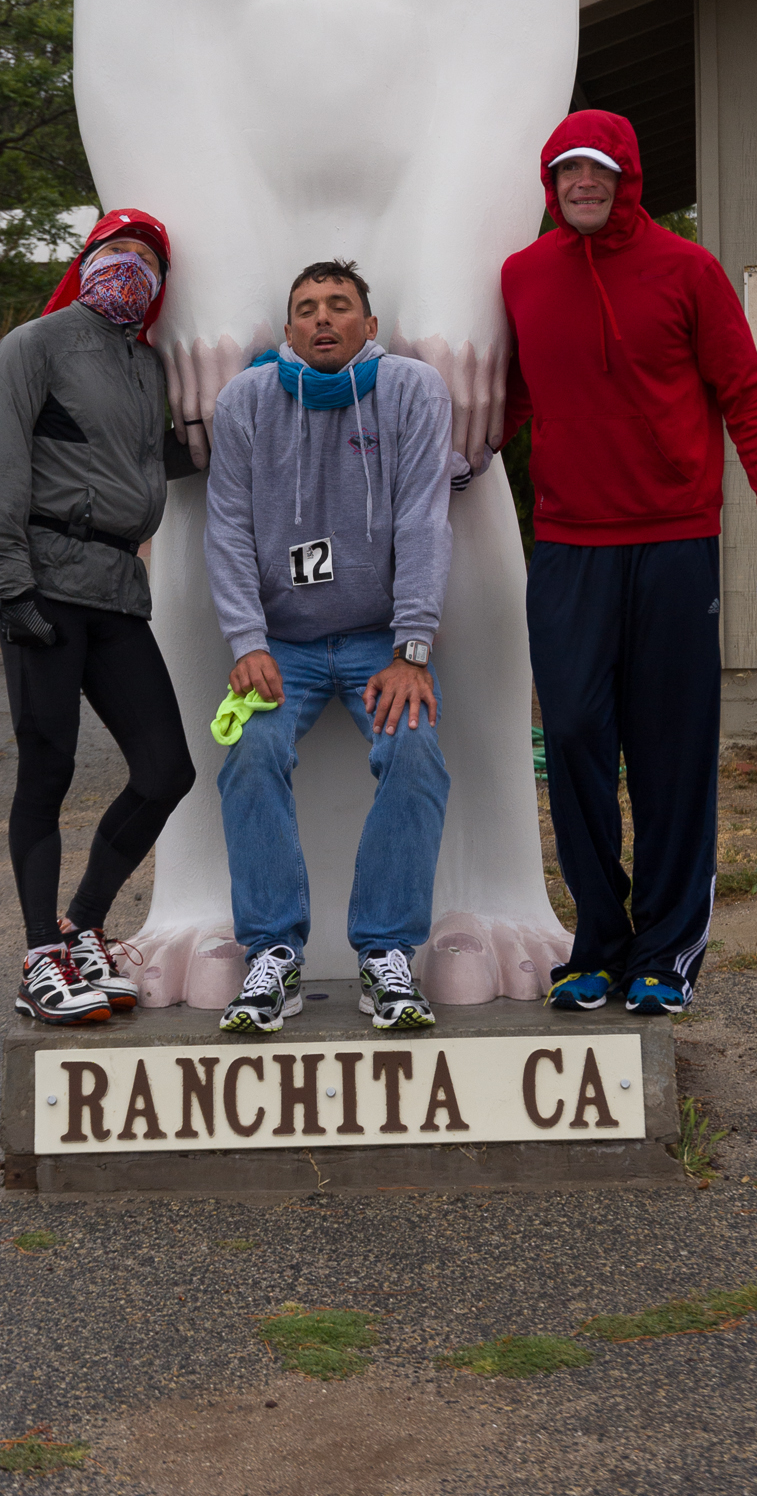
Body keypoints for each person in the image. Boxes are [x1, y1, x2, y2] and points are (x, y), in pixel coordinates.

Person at [500, 112, 757, 1017]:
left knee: (670, 750)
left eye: (598, 169)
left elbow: (746, 392)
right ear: (550, 182)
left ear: (627, 175)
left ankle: (667, 949)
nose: (583, 184)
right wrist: (460, 449)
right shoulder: (522, 276)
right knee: (576, 741)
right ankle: (597, 943)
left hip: (675, 542)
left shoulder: (687, 270)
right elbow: (514, 389)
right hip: (566, 545)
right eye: (566, 171)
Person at [204, 259, 454, 1034]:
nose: (322, 318)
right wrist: (246, 640)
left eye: (339, 305)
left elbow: (422, 519)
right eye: (306, 308)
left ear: (368, 325)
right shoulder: (245, 399)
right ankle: (272, 953)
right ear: (286, 331)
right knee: (247, 747)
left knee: (416, 753)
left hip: (383, 640)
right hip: (284, 643)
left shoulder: (411, 389)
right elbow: (228, 528)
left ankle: (387, 953)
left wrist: (412, 648)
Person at [0, 209, 200, 1025]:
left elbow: (146, 458)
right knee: (49, 769)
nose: (130, 266)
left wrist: (223, 423)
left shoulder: (146, 366)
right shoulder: (33, 345)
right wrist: (11, 585)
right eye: (117, 250)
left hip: (117, 592)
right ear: (88, 258)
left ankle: (84, 925)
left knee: (168, 767)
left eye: (148, 258)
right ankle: (40, 955)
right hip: (45, 584)